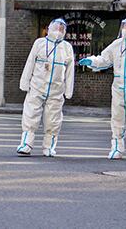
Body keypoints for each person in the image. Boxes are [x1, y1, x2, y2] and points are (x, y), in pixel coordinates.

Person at [78, 16, 126, 161]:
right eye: (124, 25)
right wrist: (92, 61)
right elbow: (105, 59)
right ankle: (116, 148)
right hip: (119, 85)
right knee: (117, 117)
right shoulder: (117, 44)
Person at [16, 18, 76, 157]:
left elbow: (70, 70)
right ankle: (26, 144)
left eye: (62, 28)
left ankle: (49, 147)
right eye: (56, 27)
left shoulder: (67, 47)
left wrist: (68, 90)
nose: (59, 30)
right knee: (30, 115)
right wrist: (25, 82)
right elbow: (30, 62)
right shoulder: (40, 43)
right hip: (37, 86)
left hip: (56, 89)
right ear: (49, 28)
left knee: (53, 120)